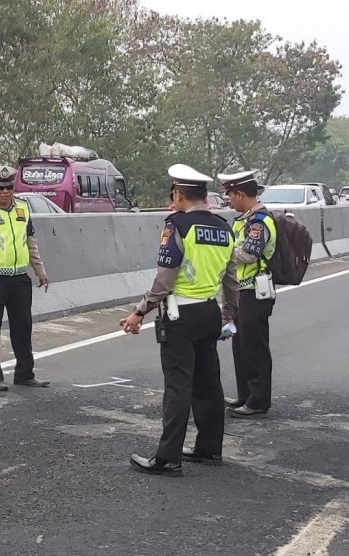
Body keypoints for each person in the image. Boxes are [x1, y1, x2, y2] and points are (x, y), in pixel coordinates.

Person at [120, 164, 239, 476]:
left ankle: (167, 457)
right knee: (208, 383)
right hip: (210, 312)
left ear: (178, 194)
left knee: (178, 386)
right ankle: (209, 449)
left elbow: (165, 279)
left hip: (180, 315)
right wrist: (228, 315)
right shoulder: (224, 228)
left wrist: (139, 311)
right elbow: (231, 279)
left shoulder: (177, 226)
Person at [0, 165, 51, 391]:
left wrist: (40, 271)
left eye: (9, 187)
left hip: (20, 278)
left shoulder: (23, 208)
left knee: (23, 327)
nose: (5, 192)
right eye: (0, 187)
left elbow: (30, 242)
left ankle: (25, 373)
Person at [218, 169, 277, 419]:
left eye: (230, 195)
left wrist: (222, 250)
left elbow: (249, 254)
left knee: (255, 348)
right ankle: (245, 395)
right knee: (240, 347)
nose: (229, 200)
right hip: (241, 292)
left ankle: (258, 401)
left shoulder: (260, 221)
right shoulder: (244, 220)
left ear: (241, 194)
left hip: (255, 292)